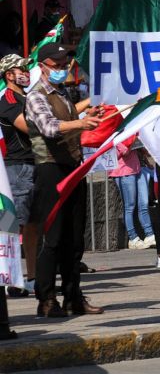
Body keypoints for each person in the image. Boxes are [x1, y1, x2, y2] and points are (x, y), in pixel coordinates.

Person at [26, 42, 104, 317]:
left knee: (75, 239)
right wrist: (80, 123)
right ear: (43, 67)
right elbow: (49, 128)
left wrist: (87, 115)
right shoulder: (36, 95)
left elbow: (70, 121)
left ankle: (73, 297)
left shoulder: (62, 93)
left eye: (64, 65)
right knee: (54, 238)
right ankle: (46, 299)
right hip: (50, 170)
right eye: (56, 65)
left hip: (72, 167)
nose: (61, 69)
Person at [0, 54, 36, 296]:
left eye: (26, 67)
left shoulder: (29, 97)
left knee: (33, 226)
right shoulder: (9, 99)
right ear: (8, 75)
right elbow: (30, 127)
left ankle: (32, 277)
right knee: (12, 225)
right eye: (20, 68)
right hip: (17, 167)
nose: (26, 71)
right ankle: (11, 278)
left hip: (34, 165)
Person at [110, 137, 157, 252]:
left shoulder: (130, 131)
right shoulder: (115, 133)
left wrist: (144, 153)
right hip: (123, 171)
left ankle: (149, 235)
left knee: (144, 203)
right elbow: (122, 151)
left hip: (137, 168)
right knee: (129, 206)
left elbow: (139, 149)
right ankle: (133, 238)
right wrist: (132, 140)